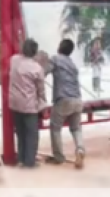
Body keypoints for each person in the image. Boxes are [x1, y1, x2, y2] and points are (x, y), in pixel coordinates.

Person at [43, 39, 86, 169]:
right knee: (76, 128)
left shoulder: (55, 59)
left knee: (55, 128)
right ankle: (80, 150)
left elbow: (43, 72)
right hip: (77, 99)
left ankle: (59, 157)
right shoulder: (72, 64)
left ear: (59, 47)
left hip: (63, 99)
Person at [10, 39, 47, 168]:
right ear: (35, 52)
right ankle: (29, 162)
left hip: (15, 104)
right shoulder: (37, 68)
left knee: (20, 133)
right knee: (32, 135)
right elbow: (41, 90)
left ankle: (21, 159)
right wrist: (43, 104)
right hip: (29, 105)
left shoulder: (14, 60)